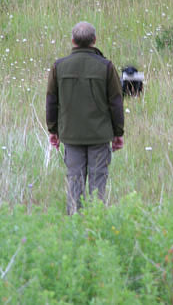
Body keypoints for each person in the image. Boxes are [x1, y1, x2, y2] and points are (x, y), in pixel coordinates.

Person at [46, 22, 124, 214]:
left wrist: (53, 130)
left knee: (74, 183)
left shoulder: (59, 66)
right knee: (98, 186)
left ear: (72, 41)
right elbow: (116, 102)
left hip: (71, 136)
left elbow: (51, 100)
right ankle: (95, 226)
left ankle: (74, 225)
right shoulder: (106, 66)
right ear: (94, 41)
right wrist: (118, 133)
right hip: (99, 136)